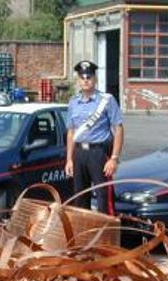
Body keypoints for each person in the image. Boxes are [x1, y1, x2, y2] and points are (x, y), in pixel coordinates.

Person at [65, 60, 124, 214]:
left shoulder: (107, 100)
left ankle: (106, 233)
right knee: (80, 196)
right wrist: (69, 159)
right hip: (79, 153)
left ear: (95, 79)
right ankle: (83, 234)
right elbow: (71, 132)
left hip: (98, 152)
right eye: (82, 77)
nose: (85, 80)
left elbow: (118, 129)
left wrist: (114, 158)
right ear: (78, 80)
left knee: (103, 196)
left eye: (89, 77)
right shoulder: (73, 102)